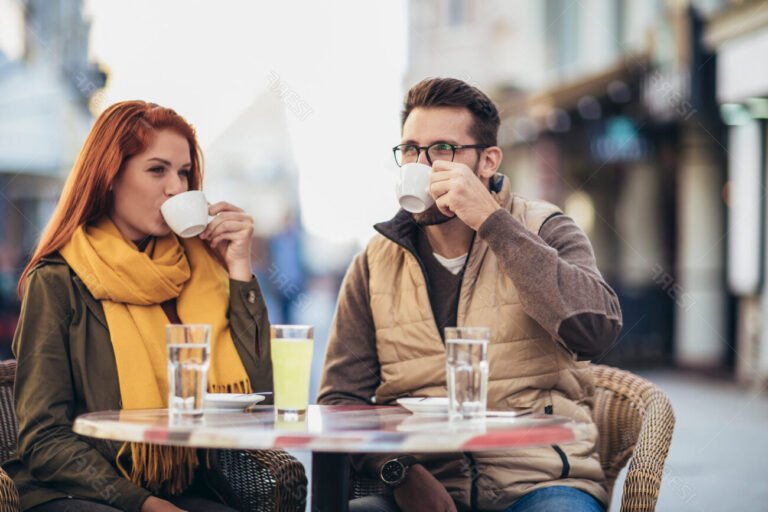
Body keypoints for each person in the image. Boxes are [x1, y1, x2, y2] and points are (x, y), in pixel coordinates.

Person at [318, 78, 623, 512]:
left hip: (539, 482)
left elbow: (595, 332)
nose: (421, 164)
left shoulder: (544, 228)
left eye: (442, 149)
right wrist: (400, 471)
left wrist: (491, 220)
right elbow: (339, 400)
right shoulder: (374, 262)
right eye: (410, 150)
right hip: (424, 484)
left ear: (487, 162)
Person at [5, 101, 272, 512]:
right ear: (110, 175)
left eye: (184, 173)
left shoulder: (198, 268)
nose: (177, 189)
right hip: (74, 491)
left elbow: (258, 399)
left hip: (179, 485)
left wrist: (239, 269)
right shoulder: (58, 280)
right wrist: (142, 503)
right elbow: (43, 437)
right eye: (156, 170)